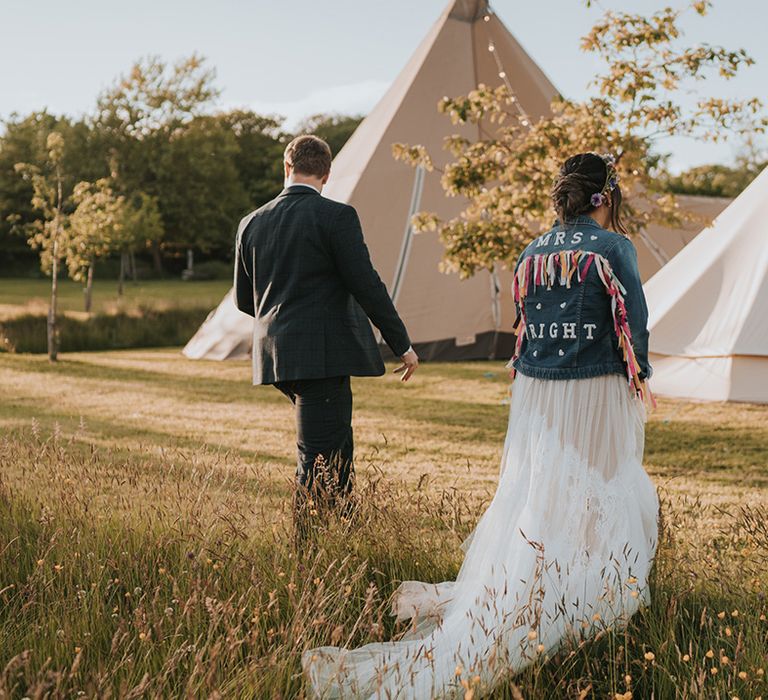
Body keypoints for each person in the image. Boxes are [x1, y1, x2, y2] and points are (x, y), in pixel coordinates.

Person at [302, 152, 659, 698]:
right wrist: (641, 375)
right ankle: (586, 587)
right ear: (604, 198)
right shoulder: (613, 247)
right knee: (603, 481)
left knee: (545, 486)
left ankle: (540, 575)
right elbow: (631, 318)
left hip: (539, 388)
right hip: (595, 384)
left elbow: (525, 323)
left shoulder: (531, 251)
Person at [234, 134, 419, 536]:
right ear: (327, 174)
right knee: (319, 458)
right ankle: (310, 556)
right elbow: (366, 284)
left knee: (332, 451)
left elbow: (246, 302)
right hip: (320, 356)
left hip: (276, 357)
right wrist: (401, 344)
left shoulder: (251, 222)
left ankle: (343, 539)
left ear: (286, 167)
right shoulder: (336, 216)